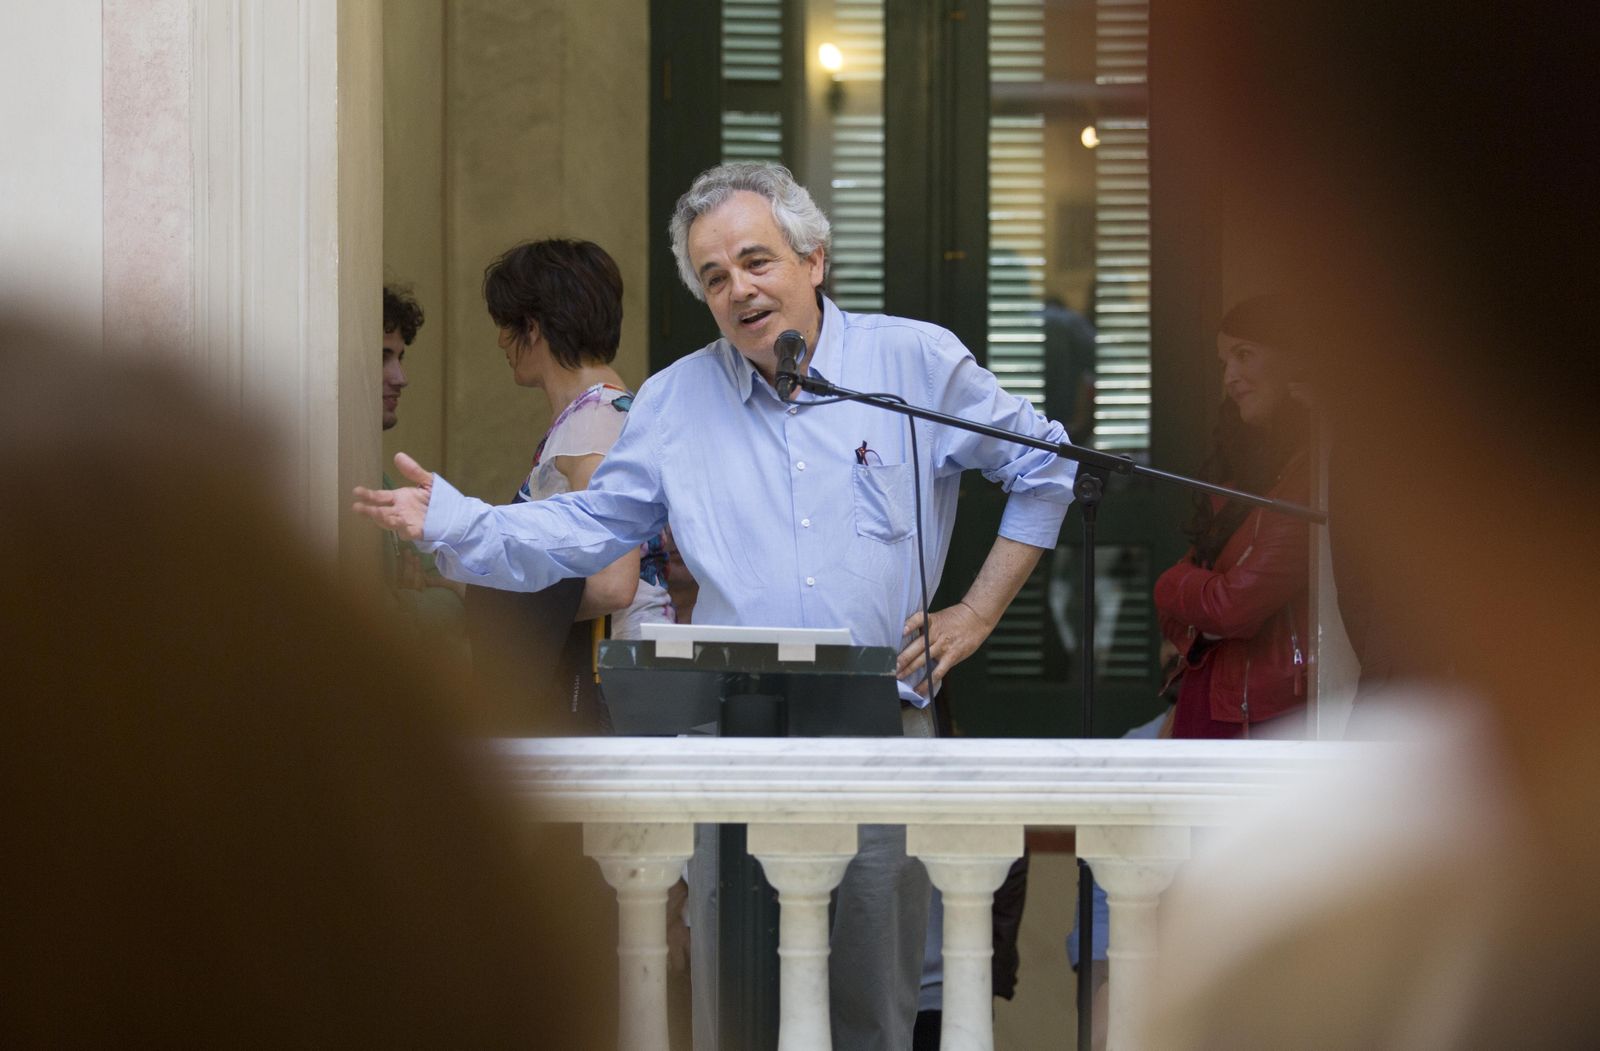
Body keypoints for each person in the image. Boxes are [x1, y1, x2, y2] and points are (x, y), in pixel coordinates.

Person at [353, 161, 1079, 1050]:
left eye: (756, 261)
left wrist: (975, 613)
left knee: (869, 1017)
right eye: (714, 276)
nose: (739, 289)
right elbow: (587, 530)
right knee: (736, 1009)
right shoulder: (673, 401)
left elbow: (1046, 462)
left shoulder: (910, 363)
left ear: (812, 260)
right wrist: (457, 521)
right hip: (735, 738)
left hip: (878, 731)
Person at [484, 238, 676, 638]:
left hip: (611, 676)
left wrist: (504, 617)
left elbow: (613, 584)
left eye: (506, 324)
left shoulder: (592, 425)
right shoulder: (611, 409)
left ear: (532, 328)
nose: (501, 340)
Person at [1154, 295, 1310, 740]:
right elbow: (1188, 614)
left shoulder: (1308, 474)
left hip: (1262, 712)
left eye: (1245, 355)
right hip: (1217, 697)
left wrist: (1168, 584)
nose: (1230, 377)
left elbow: (1230, 608)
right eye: (1225, 362)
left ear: (1294, 360)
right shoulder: (1251, 470)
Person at [380, 284, 467, 666]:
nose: (400, 377)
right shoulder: (330, 476)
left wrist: (408, 599)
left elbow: (452, 601)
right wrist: (411, 604)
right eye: (383, 357)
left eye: (399, 357)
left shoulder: (381, 480)